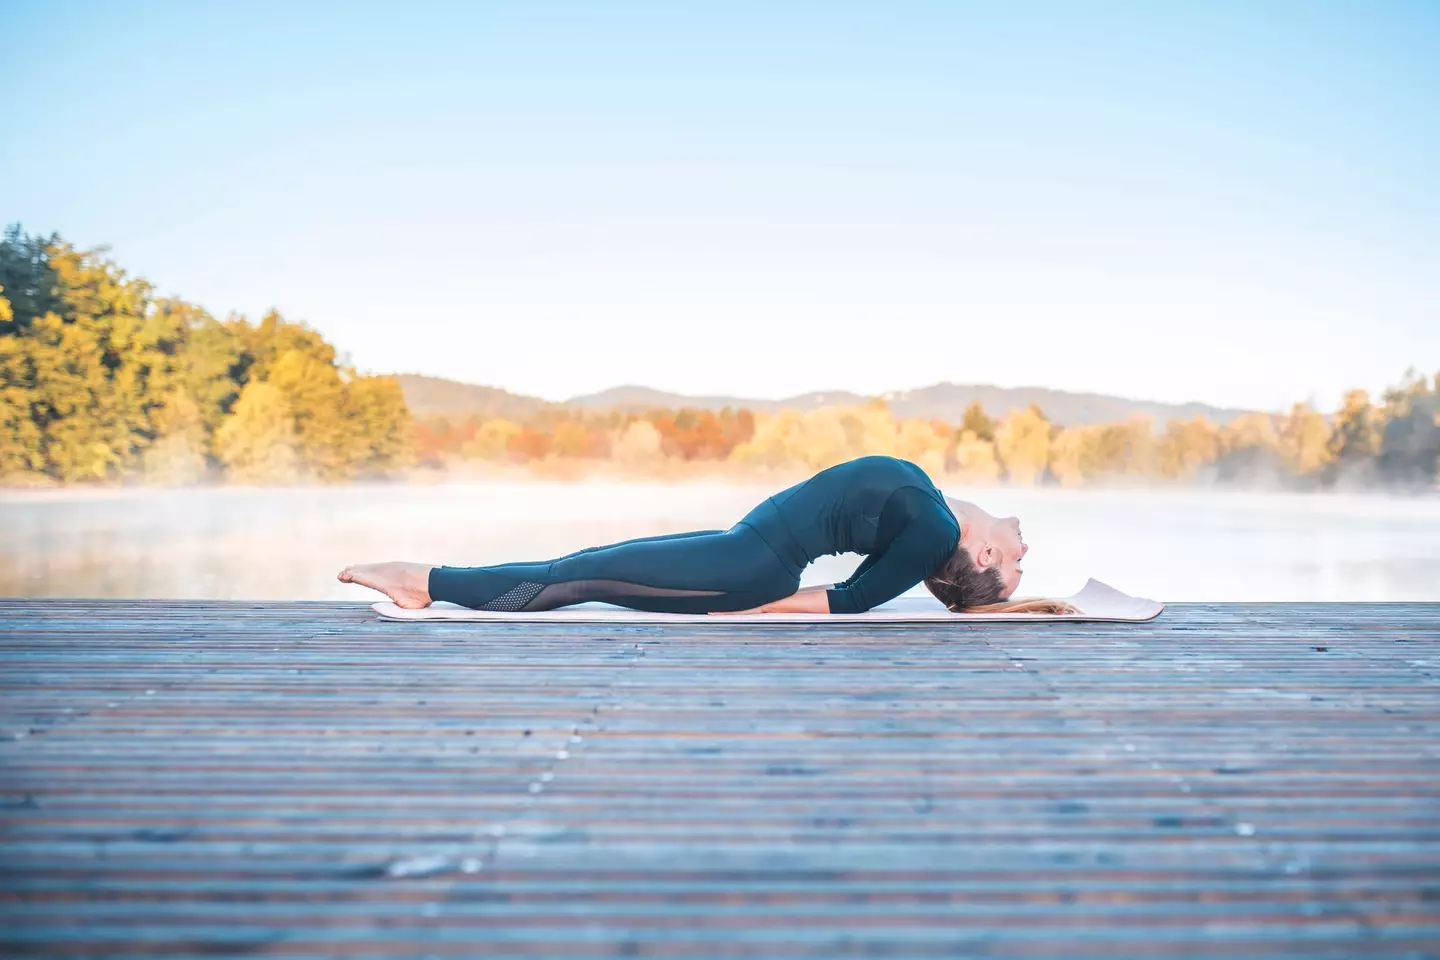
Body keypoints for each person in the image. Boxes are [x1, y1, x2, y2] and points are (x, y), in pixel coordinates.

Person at [338, 454, 1073, 615]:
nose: (1024, 548)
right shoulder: (931, 515)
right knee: (587, 566)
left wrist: (743, 607)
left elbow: (849, 600)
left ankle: (422, 580)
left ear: (981, 554)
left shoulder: (933, 527)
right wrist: (1008, 602)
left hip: (751, 566)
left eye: (1014, 565)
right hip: (744, 547)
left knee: (581, 575)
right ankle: (426, 580)